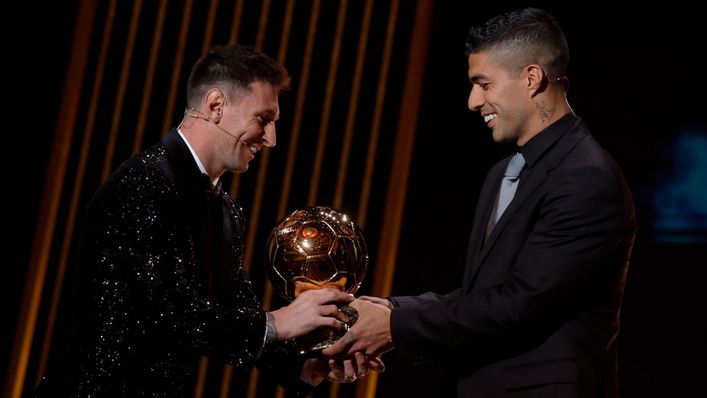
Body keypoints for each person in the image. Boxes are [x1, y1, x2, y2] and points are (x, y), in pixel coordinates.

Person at [324, 7, 637, 397]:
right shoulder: (502, 173)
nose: (473, 101)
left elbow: (519, 305)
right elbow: (484, 297)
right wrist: (389, 310)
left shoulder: (588, 178)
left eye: (483, 84)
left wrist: (394, 325)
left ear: (531, 78)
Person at [36, 44, 379, 396]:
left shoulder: (227, 210)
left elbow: (234, 309)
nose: (272, 139)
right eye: (263, 119)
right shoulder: (141, 184)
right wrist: (277, 322)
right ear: (215, 106)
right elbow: (167, 314)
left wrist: (310, 366)